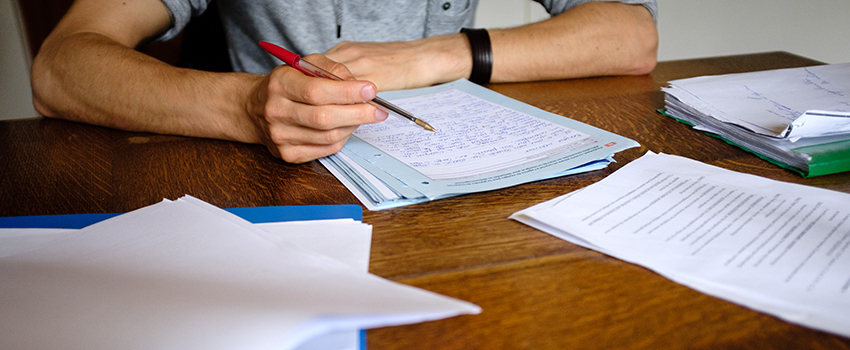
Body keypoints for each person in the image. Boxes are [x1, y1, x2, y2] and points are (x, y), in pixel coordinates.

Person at [31, 0, 658, 163]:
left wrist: (433, 56)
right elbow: (61, 69)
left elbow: (631, 33)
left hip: (450, 170)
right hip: (276, 182)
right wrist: (248, 104)